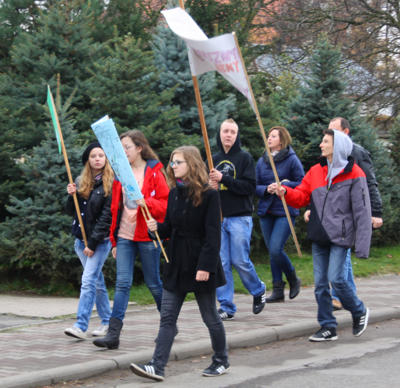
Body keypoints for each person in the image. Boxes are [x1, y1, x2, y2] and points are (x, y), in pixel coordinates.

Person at [130, 146, 228, 382]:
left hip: (200, 264)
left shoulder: (209, 194)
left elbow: (213, 236)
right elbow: (171, 228)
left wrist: (205, 267)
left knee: (210, 317)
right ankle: (157, 366)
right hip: (177, 263)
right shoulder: (175, 193)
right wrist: (156, 228)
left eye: (178, 163)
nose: (173, 167)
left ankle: (221, 360)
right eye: (172, 163)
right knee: (167, 317)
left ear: (192, 164)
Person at [272, 129, 371, 341]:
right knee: (320, 285)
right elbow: (301, 196)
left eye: (325, 141)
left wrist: (363, 247)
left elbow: (363, 211)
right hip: (319, 235)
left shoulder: (355, 174)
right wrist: (286, 192)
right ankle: (327, 326)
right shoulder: (316, 171)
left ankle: (359, 310)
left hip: (341, 237)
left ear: (338, 146)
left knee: (338, 279)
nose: (320, 145)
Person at [93, 130, 169, 349]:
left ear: (139, 148)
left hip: (146, 236)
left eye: (127, 147)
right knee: (122, 283)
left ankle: (168, 324)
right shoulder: (120, 173)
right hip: (125, 236)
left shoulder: (155, 171)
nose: (123, 151)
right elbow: (115, 208)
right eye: (121, 147)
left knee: (153, 283)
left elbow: (165, 204)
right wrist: (114, 240)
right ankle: (113, 334)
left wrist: (146, 202)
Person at [304, 117, 383, 310]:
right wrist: (313, 208)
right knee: (339, 268)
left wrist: (376, 211)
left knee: (341, 265)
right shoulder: (326, 162)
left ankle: (344, 298)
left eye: (333, 131)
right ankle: (345, 298)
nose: (326, 138)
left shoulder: (356, 155)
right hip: (330, 222)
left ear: (345, 133)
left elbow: (369, 184)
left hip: (343, 223)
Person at [209, 118, 266, 320]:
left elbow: (249, 188)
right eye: (225, 131)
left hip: (239, 216)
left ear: (237, 135)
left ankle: (258, 290)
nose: (228, 135)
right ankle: (226, 306)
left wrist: (224, 179)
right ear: (220, 133)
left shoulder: (244, 159)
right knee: (222, 262)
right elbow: (207, 189)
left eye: (233, 132)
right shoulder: (212, 158)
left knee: (240, 260)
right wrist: (210, 186)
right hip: (218, 217)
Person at [64, 142, 114, 339]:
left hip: (99, 242)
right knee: (97, 282)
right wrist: (71, 196)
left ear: (106, 159)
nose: (97, 159)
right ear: (88, 160)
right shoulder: (81, 180)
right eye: (93, 156)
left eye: (101, 155)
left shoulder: (110, 183)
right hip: (80, 241)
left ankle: (80, 324)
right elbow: (71, 212)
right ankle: (107, 321)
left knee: (88, 280)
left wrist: (92, 244)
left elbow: (106, 217)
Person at [256, 126, 304, 303]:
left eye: (273, 136)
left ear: (282, 141)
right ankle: (278, 289)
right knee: (272, 251)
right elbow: (255, 185)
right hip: (267, 210)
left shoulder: (292, 160)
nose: (269, 138)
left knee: (276, 248)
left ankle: (292, 278)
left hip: (285, 210)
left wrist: (285, 185)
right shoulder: (262, 161)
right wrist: (266, 189)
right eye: (268, 136)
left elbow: (301, 183)